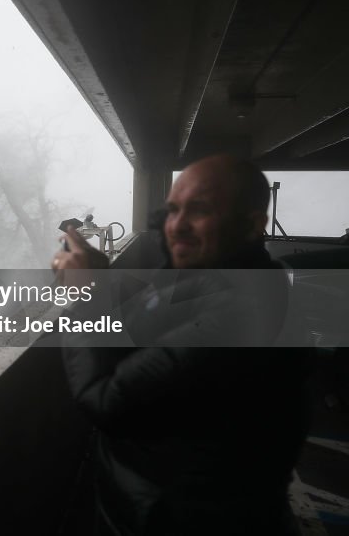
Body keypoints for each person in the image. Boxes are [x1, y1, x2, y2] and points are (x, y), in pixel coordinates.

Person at [52, 154, 315, 535]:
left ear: (252, 225)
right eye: (172, 210)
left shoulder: (245, 314)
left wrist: (88, 296)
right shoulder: (224, 276)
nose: (176, 226)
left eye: (200, 209)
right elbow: (149, 311)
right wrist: (101, 280)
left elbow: (104, 399)